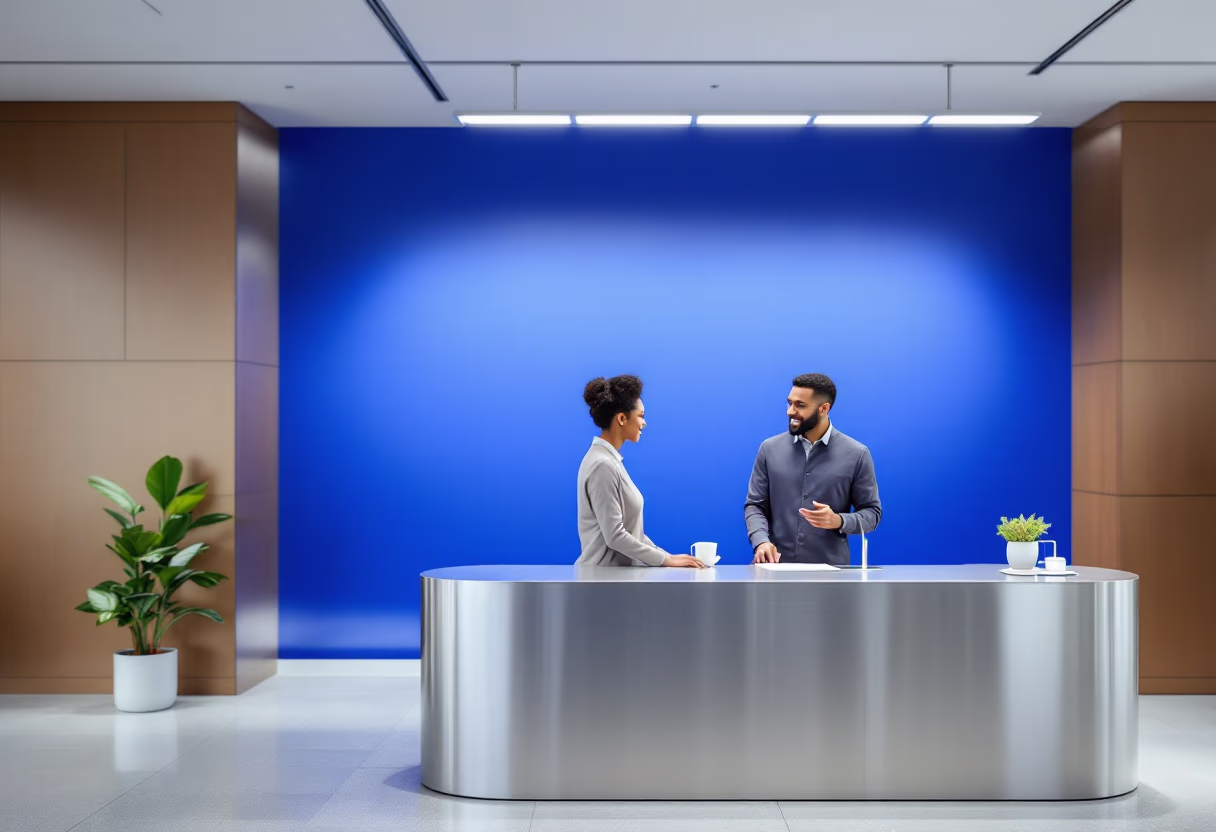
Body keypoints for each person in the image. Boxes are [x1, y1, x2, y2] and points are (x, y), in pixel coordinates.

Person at [745, 373, 882, 565]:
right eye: (789, 403)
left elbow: (872, 514)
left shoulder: (857, 454)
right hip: (773, 572)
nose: (790, 411)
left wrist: (838, 521)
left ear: (823, 408)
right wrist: (761, 542)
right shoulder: (769, 449)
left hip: (832, 577)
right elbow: (755, 505)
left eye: (800, 405)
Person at [576, 375, 704, 568]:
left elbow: (631, 531)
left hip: (614, 581)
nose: (644, 423)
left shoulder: (609, 461)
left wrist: (665, 556)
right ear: (621, 418)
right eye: (641, 416)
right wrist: (666, 560)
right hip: (602, 584)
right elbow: (615, 536)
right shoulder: (603, 465)